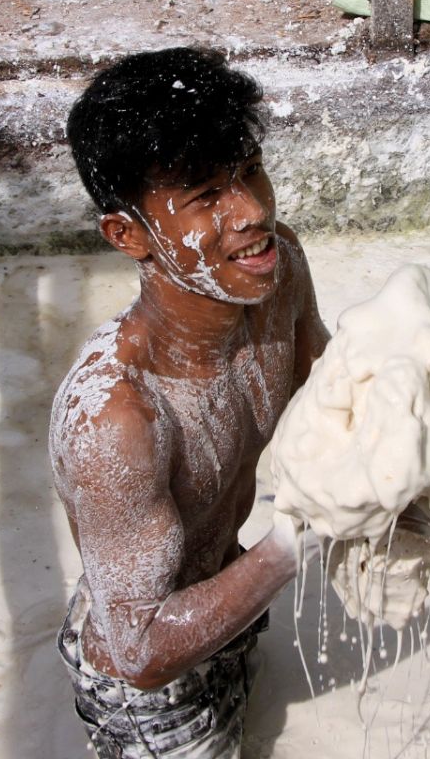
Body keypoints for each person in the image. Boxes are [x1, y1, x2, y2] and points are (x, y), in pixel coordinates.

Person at [49, 46, 330, 758]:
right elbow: (140, 647)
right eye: (207, 195)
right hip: (145, 687)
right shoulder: (115, 418)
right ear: (127, 235)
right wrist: (298, 541)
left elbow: (327, 386)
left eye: (250, 172)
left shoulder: (279, 272)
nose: (254, 212)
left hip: (230, 593)